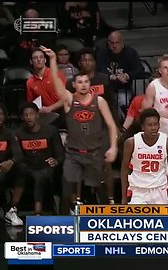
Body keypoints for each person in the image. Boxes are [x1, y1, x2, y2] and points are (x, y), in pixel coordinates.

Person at [42, 46, 118, 214]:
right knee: (66, 191)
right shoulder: (69, 100)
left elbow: (112, 125)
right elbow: (56, 83)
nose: (83, 85)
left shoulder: (99, 101)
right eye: (80, 82)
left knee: (101, 193)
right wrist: (53, 60)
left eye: (86, 82)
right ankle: (63, 226)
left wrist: (113, 147)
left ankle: (109, 226)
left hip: (95, 153)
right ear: (74, 85)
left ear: (90, 84)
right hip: (74, 154)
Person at [14, 102, 64, 215]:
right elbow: (17, 156)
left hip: (46, 166)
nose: (28, 117)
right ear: (22, 118)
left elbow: (60, 153)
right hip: (28, 166)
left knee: (40, 175)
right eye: (25, 115)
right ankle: (13, 209)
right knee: (23, 171)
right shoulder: (18, 133)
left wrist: (56, 160)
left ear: (37, 115)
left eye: (31, 114)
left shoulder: (51, 131)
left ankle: (38, 211)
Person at [120, 108, 168, 204]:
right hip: (138, 190)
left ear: (159, 125)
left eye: (156, 124)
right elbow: (124, 169)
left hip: (159, 189)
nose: (153, 128)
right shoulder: (131, 143)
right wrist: (123, 196)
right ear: (143, 127)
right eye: (150, 125)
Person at [0, 102, 24, 226]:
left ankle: (10, 210)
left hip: (1, 169)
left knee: (22, 168)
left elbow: (19, 154)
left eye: (1, 114)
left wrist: (11, 161)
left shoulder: (8, 133)